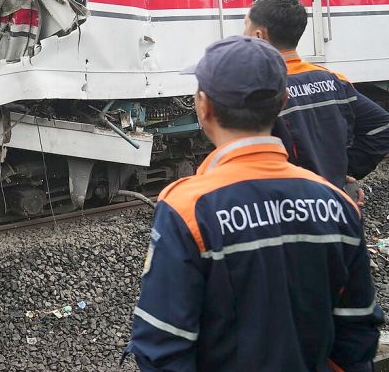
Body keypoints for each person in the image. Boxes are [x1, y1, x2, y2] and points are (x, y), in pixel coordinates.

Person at [126, 36, 383, 371]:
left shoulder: (187, 208)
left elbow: (161, 343)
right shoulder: (337, 203)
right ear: (283, 102)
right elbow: (358, 331)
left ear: (203, 107)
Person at [243, 0, 389, 201]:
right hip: (334, 203)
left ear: (259, 35)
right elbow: (382, 126)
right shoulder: (335, 81)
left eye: (245, 26)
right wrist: (343, 171)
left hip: (290, 206)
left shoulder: (259, 89)